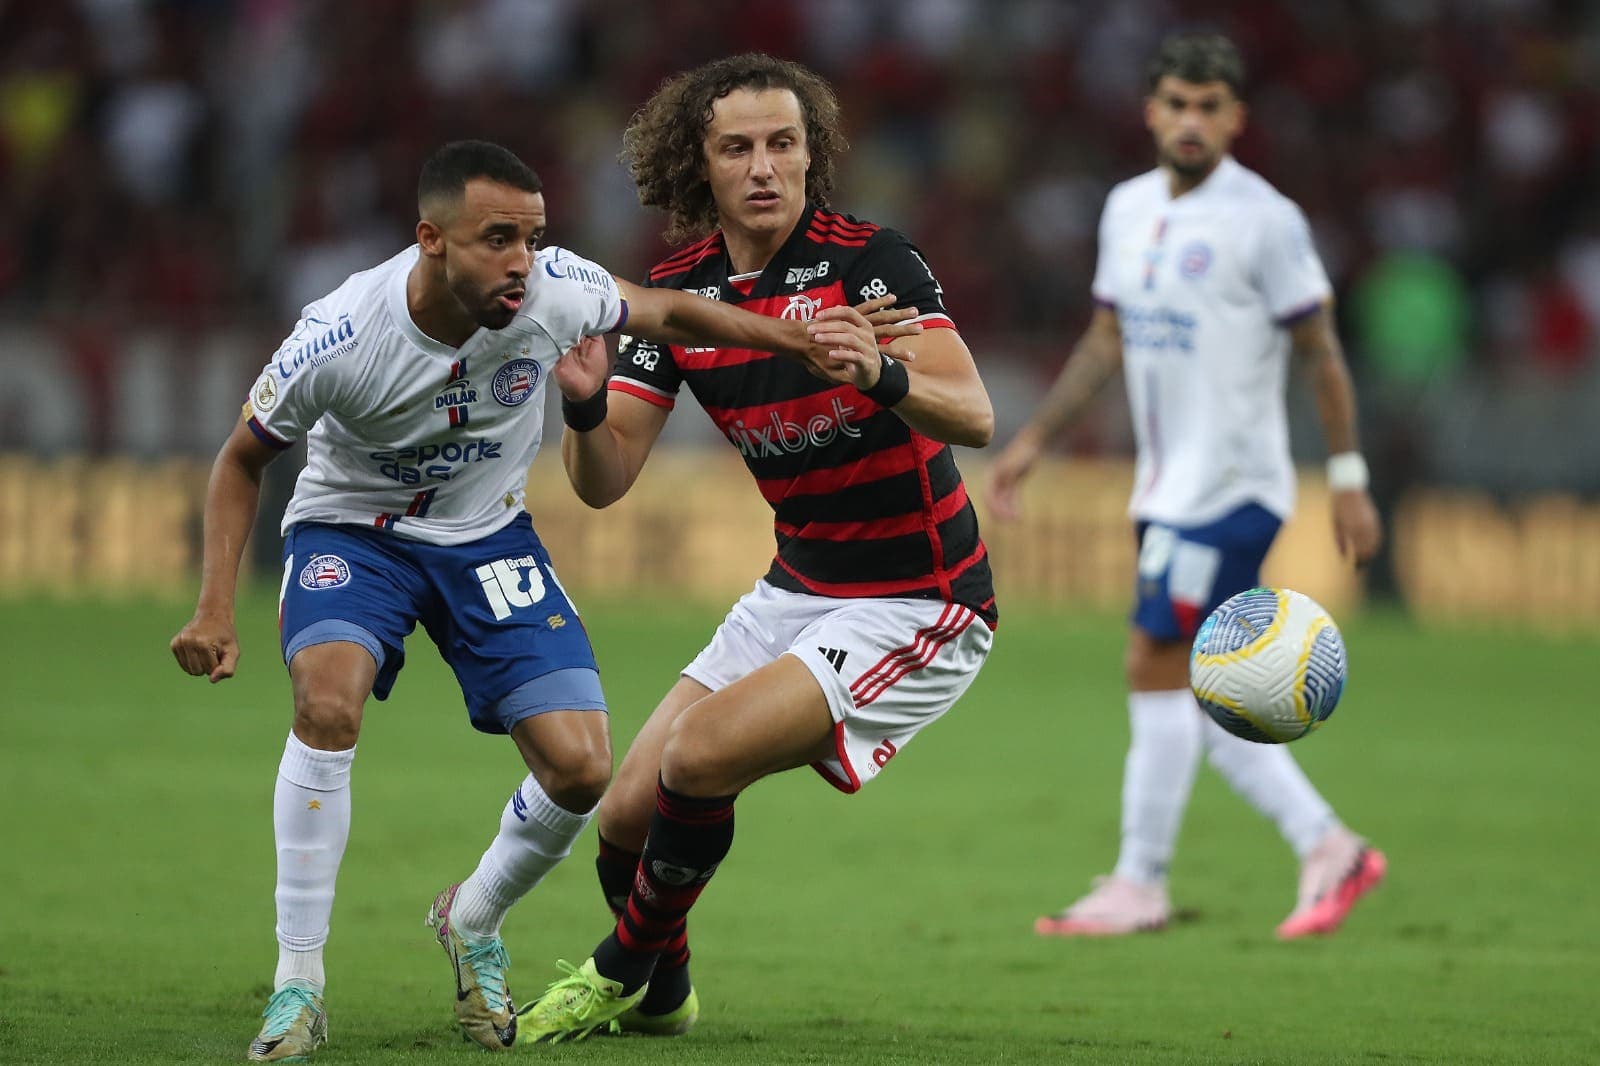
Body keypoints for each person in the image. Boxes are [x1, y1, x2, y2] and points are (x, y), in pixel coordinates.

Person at [168, 139, 885, 1061]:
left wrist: (801, 337)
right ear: (432, 240)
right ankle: (297, 985)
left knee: (583, 769)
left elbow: (667, 310)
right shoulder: (340, 333)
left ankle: (472, 918)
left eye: (534, 238)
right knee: (328, 704)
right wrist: (214, 607)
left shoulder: (556, 289)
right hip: (354, 533)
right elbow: (240, 460)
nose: (523, 260)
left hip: (486, 539)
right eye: (498, 239)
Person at [514, 53, 997, 1042]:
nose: (764, 166)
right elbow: (604, 481)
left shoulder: (870, 263)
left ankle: (616, 970)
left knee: (698, 755)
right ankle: (666, 996)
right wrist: (585, 403)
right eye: (737, 148)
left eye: (784, 143)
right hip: (796, 588)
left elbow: (975, 414)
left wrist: (883, 375)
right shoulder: (677, 295)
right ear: (700, 165)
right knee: (623, 819)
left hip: (921, 599)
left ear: (813, 155)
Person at [985, 33, 1387, 940]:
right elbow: (1107, 338)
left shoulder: (1266, 221)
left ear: (1236, 117)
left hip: (1233, 489)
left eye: (1209, 106)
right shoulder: (1127, 208)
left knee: (1157, 662)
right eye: (1177, 103)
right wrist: (1036, 438)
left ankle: (1148, 880)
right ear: (1151, 111)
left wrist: (1349, 477)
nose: (1191, 121)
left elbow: (1322, 351)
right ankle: (1321, 846)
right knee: (1197, 684)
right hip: (1165, 490)